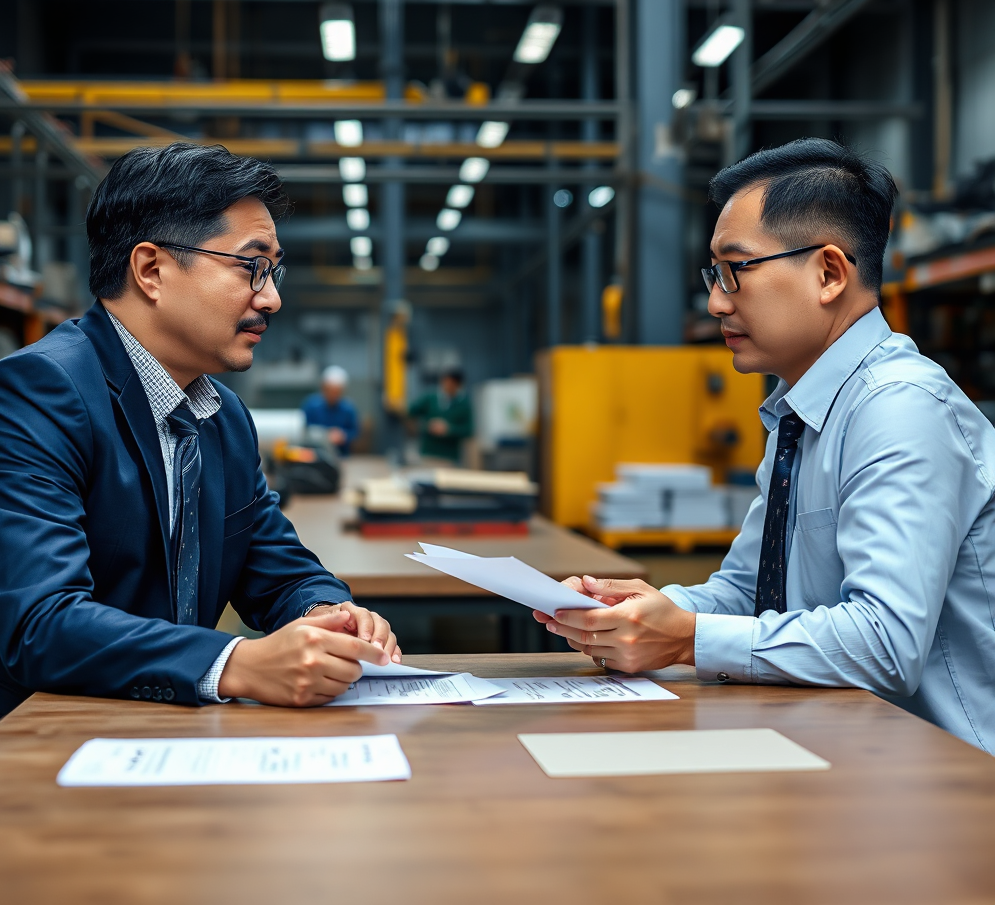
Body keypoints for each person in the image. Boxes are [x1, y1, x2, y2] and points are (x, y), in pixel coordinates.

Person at [536, 138, 995, 753]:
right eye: (714, 274)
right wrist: (641, 609)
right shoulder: (799, 413)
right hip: (846, 744)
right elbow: (751, 590)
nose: (716, 301)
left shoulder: (900, 409)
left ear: (828, 273)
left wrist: (686, 637)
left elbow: (886, 643)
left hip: (945, 772)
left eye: (736, 271)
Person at [0, 143, 401, 740]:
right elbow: (42, 622)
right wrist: (237, 663)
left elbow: (273, 565)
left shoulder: (222, 416)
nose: (271, 296)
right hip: (33, 741)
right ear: (151, 271)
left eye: (275, 270)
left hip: (160, 732)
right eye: (250, 266)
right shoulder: (37, 392)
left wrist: (326, 612)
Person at [409, 367, 473, 462]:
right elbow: (411, 411)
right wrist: (425, 426)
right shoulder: (430, 398)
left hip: (450, 457)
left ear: (458, 385)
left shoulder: (463, 404)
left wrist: (449, 429)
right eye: (445, 382)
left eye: (451, 384)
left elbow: (469, 430)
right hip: (428, 454)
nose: (447, 386)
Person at [302, 365, 359, 455]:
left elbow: (354, 432)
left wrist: (343, 436)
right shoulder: (311, 405)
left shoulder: (348, 409)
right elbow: (304, 428)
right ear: (324, 388)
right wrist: (325, 435)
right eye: (330, 391)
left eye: (337, 392)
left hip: (341, 455)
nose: (333, 395)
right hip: (315, 454)